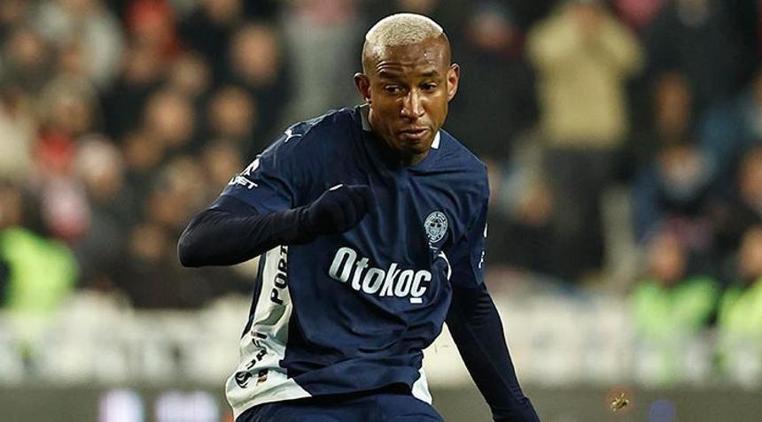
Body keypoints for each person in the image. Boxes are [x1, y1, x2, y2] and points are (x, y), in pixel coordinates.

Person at [178, 13, 539, 422]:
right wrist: (304, 222)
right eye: (393, 88)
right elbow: (197, 242)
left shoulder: (465, 178)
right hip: (290, 387)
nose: (412, 108)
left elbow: (468, 298)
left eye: (428, 86)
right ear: (365, 89)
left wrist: (513, 409)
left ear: (451, 83)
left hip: (394, 390)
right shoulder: (311, 149)